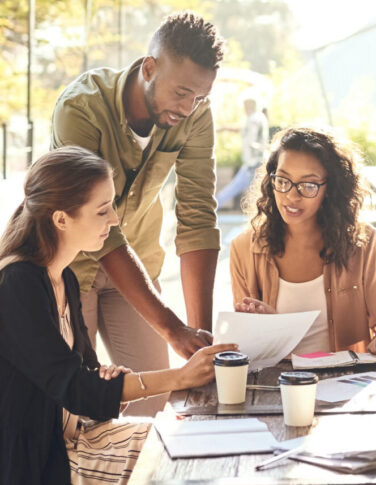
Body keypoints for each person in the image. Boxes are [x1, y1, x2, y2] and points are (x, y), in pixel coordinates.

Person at [0, 146, 236, 485]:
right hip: (42, 460)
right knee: (178, 458)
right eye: (102, 210)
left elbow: (86, 382)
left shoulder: (65, 277)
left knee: (189, 445)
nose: (113, 219)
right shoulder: (17, 285)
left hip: (78, 440)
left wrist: (108, 379)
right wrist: (179, 377)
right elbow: (74, 388)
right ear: (61, 219)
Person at [50, 12, 226, 415]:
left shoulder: (195, 113)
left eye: (200, 96)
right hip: (71, 269)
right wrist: (171, 327)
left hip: (136, 266)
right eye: (182, 92)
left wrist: (200, 344)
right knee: (74, 409)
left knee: (154, 405)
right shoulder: (81, 110)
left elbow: (197, 215)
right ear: (150, 68)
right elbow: (99, 227)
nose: (189, 106)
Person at [229, 127, 376, 355]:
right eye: (283, 180)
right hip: (276, 384)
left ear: (330, 189)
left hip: (345, 382)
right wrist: (268, 327)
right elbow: (246, 346)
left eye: (308, 185)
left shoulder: (363, 242)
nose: (292, 196)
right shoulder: (244, 249)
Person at [216, 96, 269, 210]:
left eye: (246, 105)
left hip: (254, 162)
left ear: (252, 105)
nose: (244, 108)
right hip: (253, 162)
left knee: (251, 191)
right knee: (247, 189)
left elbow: (252, 139)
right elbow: (242, 130)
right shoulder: (256, 118)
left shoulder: (254, 119)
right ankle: (214, 204)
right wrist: (224, 128)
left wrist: (258, 147)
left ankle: (213, 205)